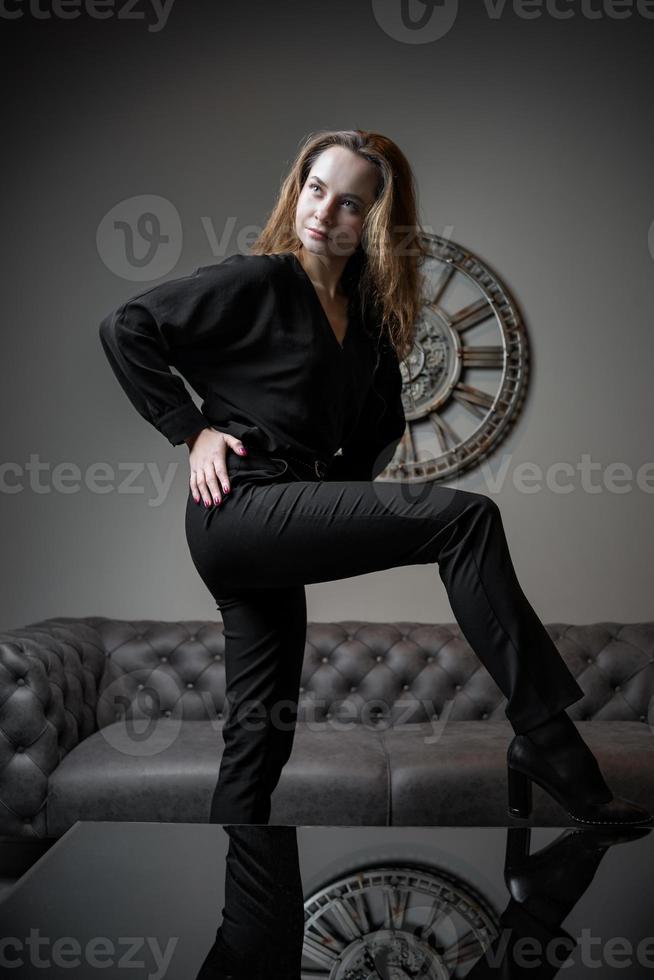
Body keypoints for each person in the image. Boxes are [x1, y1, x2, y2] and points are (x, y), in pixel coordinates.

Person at [99, 128, 652, 828]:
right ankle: (554, 748)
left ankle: (245, 933)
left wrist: (345, 497)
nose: (324, 214)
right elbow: (127, 327)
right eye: (316, 188)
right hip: (236, 510)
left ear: (376, 221)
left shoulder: (367, 332)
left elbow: (373, 440)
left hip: (279, 525)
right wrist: (192, 430)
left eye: (350, 203)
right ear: (298, 190)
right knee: (466, 518)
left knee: (260, 738)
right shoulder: (261, 280)